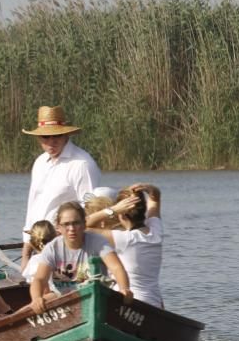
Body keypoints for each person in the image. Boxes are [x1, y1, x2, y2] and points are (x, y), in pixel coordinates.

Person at [20, 105, 101, 267]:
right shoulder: (40, 162)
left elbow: (91, 209)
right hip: (38, 246)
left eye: (56, 136)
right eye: (45, 137)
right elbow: (32, 207)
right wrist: (25, 253)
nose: (51, 142)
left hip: (67, 248)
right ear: (38, 139)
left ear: (66, 135)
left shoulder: (81, 164)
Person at [28, 201, 133, 315]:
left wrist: (124, 289)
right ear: (58, 227)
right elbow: (39, 279)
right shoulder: (52, 248)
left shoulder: (98, 241)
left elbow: (116, 267)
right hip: (62, 298)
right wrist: (36, 298)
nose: (71, 228)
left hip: (94, 295)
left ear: (84, 224)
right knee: (29, 309)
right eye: (66, 224)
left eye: (76, 223)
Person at [86, 183, 165, 308]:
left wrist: (112, 210)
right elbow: (155, 199)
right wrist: (151, 189)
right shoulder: (156, 231)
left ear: (121, 214)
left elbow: (81, 227)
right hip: (154, 303)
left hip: (127, 302)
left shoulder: (122, 239)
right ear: (143, 210)